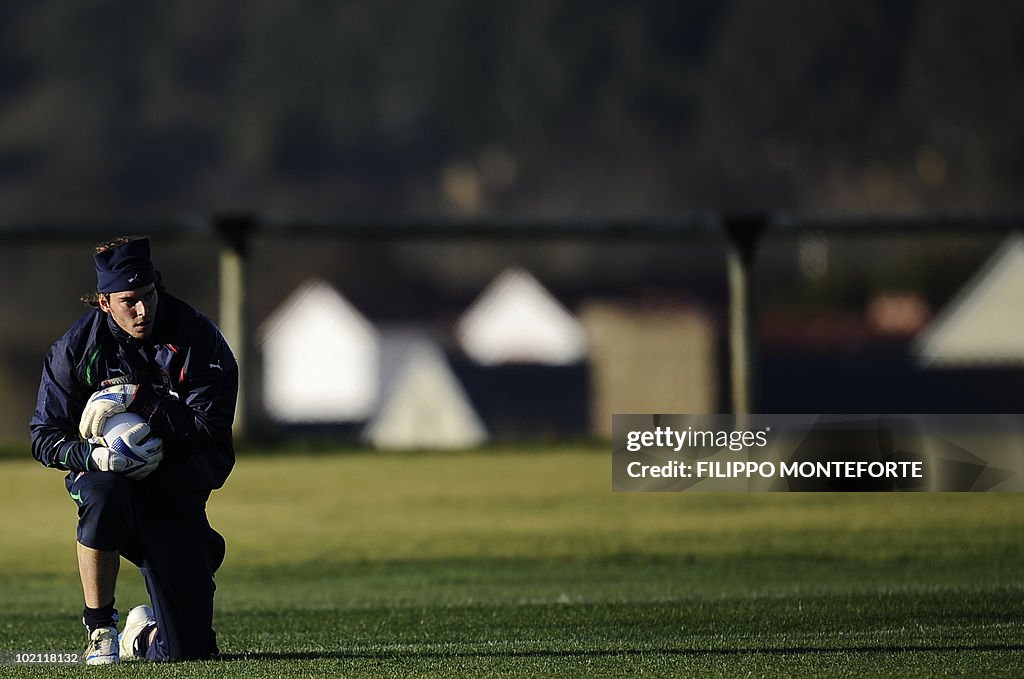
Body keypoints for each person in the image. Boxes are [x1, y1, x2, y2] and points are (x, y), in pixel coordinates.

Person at [30, 236, 238, 664]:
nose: (142, 310)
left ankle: (140, 635)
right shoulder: (75, 350)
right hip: (106, 484)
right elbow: (43, 436)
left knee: (188, 652)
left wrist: (142, 400)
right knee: (105, 493)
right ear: (104, 302)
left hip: (174, 495)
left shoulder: (198, 340)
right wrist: (94, 458)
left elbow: (208, 431)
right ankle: (101, 628)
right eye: (129, 301)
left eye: (148, 296)